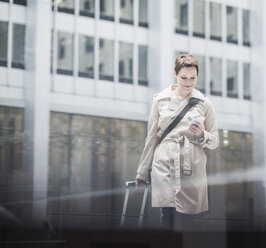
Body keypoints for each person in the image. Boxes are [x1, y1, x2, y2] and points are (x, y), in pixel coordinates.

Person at [135, 54, 219, 229]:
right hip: (164, 162)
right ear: (175, 73)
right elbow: (152, 137)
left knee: (190, 221)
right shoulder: (160, 100)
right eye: (184, 77)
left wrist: (202, 134)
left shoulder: (204, 103)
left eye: (193, 78)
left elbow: (215, 141)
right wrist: (142, 172)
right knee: (168, 215)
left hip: (192, 165)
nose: (188, 82)